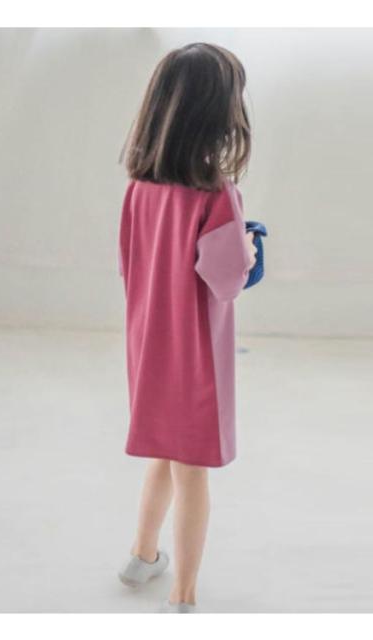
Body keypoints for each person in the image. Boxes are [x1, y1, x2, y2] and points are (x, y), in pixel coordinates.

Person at [116, 42, 258, 613]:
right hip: (195, 355)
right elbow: (226, 279)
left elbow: (130, 263)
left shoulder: (139, 188)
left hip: (148, 346)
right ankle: (183, 596)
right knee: (192, 468)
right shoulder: (216, 194)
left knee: (164, 450)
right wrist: (248, 248)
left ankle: (142, 555)